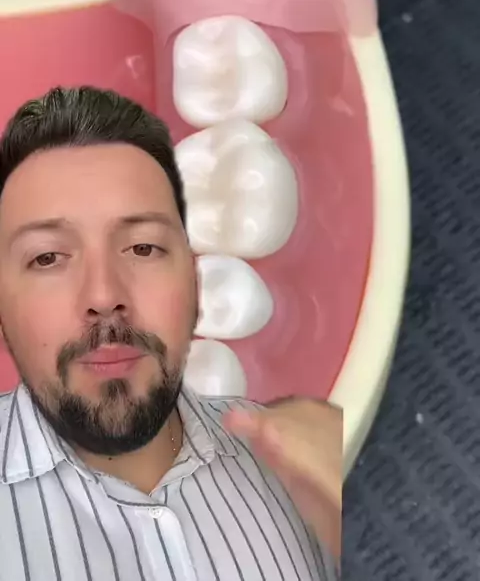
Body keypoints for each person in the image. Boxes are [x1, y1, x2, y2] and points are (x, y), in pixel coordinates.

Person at [0, 86, 341, 580]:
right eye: (48, 257)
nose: (103, 295)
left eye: (142, 248)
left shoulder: (312, 470)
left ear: (197, 282)